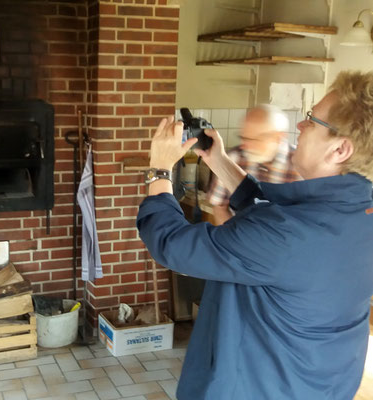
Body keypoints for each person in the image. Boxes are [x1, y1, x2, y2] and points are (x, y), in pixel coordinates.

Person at [136, 70, 373, 400]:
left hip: (260, 387)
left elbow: (171, 244)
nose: (300, 126)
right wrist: (218, 160)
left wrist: (159, 171)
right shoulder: (359, 210)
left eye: (312, 120)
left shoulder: (287, 236)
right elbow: (267, 211)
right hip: (323, 382)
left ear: (340, 150)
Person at [206, 104, 300, 225]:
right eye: (243, 137)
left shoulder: (301, 166)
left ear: (278, 137)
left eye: (253, 140)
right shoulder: (232, 159)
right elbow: (219, 206)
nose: (245, 145)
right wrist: (235, 239)